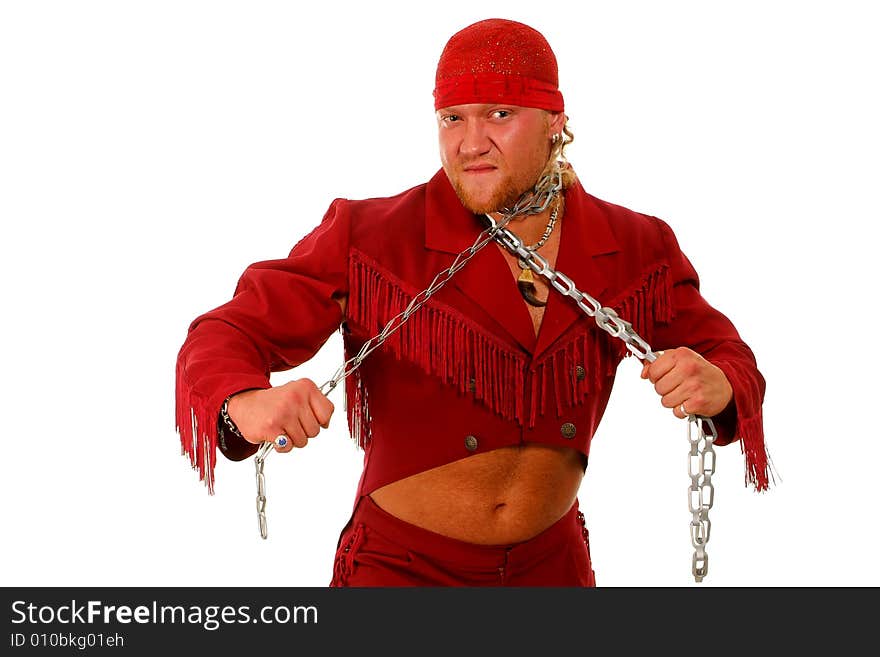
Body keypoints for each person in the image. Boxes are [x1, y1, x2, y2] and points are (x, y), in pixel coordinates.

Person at [175, 18, 768, 587]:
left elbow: (728, 354)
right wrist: (242, 404)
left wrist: (719, 385)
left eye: (500, 115)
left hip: (553, 572)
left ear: (557, 121)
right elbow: (226, 333)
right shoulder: (370, 233)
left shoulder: (636, 245)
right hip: (398, 574)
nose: (470, 143)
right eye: (452, 118)